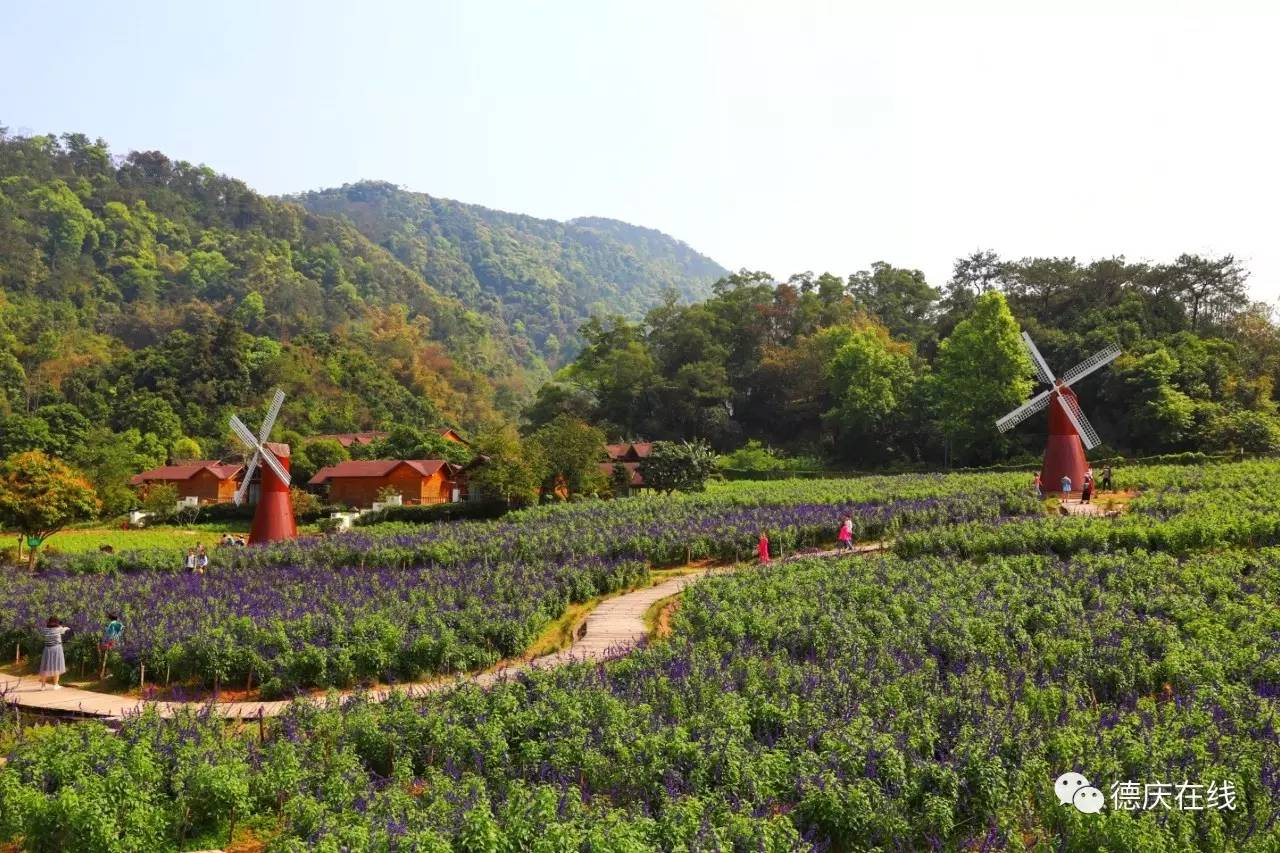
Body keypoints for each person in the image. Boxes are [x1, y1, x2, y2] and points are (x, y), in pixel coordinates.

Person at [38, 617, 70, 690]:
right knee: (57, 666)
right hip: (56, 649)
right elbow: (66, 629)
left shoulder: (45, 630)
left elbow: (43, 632)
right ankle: (55, 685)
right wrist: (63, 626)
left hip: (47, 649)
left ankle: (43, 686)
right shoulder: (59, 629)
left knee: (45, 668)